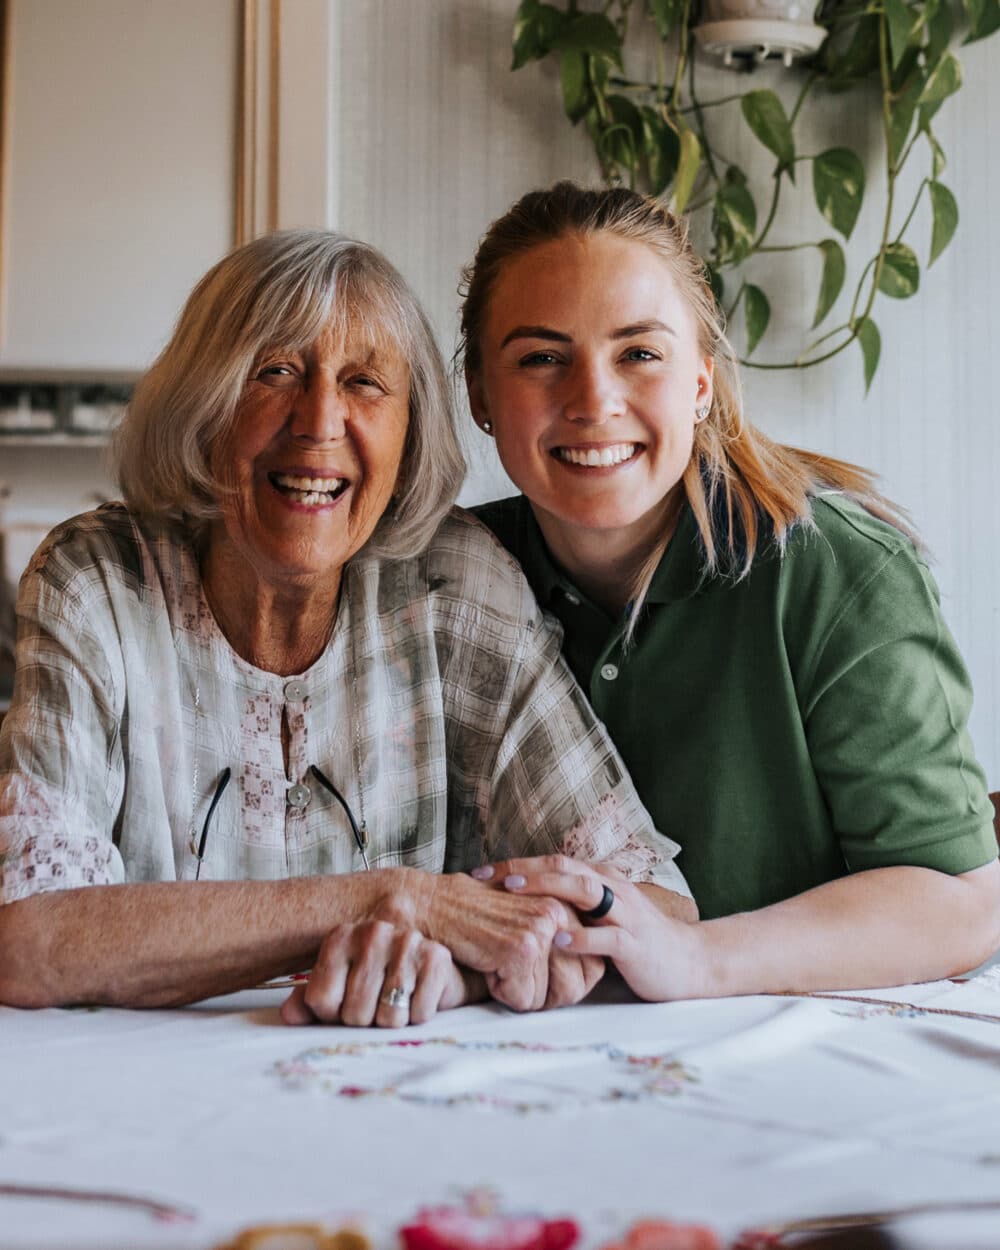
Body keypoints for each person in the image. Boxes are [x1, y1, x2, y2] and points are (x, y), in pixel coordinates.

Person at [0, 228, 693, 1023]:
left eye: (364, 383)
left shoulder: (453, 590)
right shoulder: (97, 579)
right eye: (276, 372)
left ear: (409, 432)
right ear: (205, 401)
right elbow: (28, 940)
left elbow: (654, 909)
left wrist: (467, 965)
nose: (319, 420)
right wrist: (391, 898)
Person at [461, 182, 1000, 1000]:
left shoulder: (840, 570)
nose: (593, 401)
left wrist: (697, 960)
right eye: (541, 358)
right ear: (479, 397)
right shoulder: (453, 578)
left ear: (702, 383)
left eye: (639, 354)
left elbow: (962, 901)